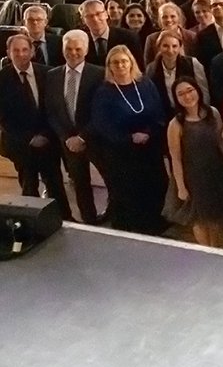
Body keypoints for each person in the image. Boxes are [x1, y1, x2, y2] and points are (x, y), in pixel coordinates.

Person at [90, 45, 168, 234]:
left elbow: (158, 112)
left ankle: (154, 225)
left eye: (124, 61)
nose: (120, 65)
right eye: (115, 62)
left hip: (149, 147)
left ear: (131, 63)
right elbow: (102, 124)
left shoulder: (145, 84)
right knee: (128, 193)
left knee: (155, 186)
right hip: (121, 152)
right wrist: (129, 138)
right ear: (109, 66)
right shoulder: (104, 92)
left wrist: (148, 133)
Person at [0, 34, 69, 218]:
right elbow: (3, 118)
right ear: (8, 53)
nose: (21, 54)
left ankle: (64, 218)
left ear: (32, 51)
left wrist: (45, 135)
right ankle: (31, 221)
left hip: (48, 141)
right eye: (16, 50)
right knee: (29, 186)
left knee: (55, 183)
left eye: (25, 50)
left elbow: (55, 108)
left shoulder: (48, 73)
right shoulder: (2, 78)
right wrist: (29, 138)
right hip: (21, 143)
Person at [166, 78, 223, 248]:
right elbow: (175, 158)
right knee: (198, 218)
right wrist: (181, 186)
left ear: (197, 90)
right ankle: (205, 249)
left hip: (215, 171)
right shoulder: (176, 124)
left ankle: (214, 248)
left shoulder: (213, 113)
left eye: (190, 90)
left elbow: (220, 142)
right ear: (176, 98)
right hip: (193, 176)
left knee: (214, 215)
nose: (187, 96)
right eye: (181, 94)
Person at [45, 30, 106, 224]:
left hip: (94, 138)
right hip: (69, 142)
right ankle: (89, 221)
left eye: (78, 49)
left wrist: (82, 137)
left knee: (111, 180)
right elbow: (51, 111)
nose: (73, 53)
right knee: (80, 184)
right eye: (68, 49)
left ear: (86, 50)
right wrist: (66, 137)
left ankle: (113, 217)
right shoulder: (52, 75)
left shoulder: (99, 74)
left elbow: (102, 110)